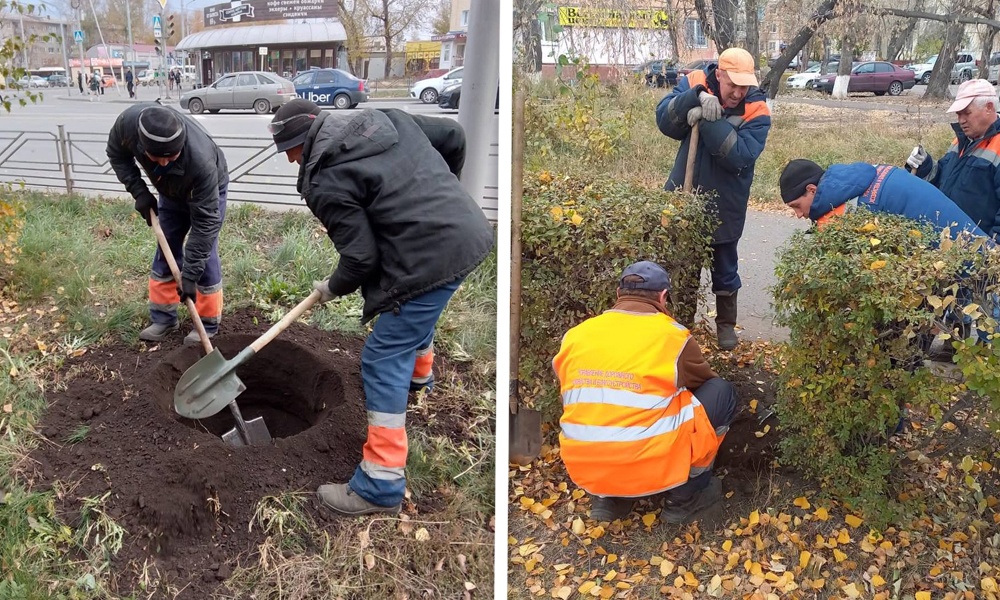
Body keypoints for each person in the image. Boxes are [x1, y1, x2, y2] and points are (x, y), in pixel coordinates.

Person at [267, 98, 493, 516]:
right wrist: (447, 199)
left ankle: (380, 483)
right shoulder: (385, 119)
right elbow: (453, 136)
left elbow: (361, 260)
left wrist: (332, 287)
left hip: (427, 258)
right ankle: (420, 379)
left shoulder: (324, 180)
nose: (290, 161)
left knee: (383, 355)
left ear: (304, 140)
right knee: (416, 313)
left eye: (290, 151)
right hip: (468, 235)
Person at [553, 261, 736, 522]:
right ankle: (684, 497)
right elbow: (703, 383)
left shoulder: (575, 336)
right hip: (649, 464)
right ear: (663, 297)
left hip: (585, 469)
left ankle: (608, 499)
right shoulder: (672, 336)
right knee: (721, 392)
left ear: (619, 293)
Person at [655, 47, 772, 351]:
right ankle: (682, 323)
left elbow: (739, 156)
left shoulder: (757, 109)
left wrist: (708, 121)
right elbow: (665, 121)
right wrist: (695, 97)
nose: (738, 93)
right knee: (684, 265)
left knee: (725, 267)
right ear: (719, 74)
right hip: (684, 194)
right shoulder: (695, 80)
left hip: (726, 201)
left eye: (744, 86)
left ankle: (725, 325)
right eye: (732, 84)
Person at [106, 103, 230, 345]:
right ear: (143, 145)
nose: (163, 164)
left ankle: (206, 324)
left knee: (205, 255)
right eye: (156, 158)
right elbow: (116, 154)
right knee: (166, 248)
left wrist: (190, 275)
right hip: (170, 191)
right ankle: (163, 318)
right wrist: (140, 192)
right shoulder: (127, 126)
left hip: (206, 190)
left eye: (171, 157)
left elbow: (205, 224)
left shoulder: (201, 161)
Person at [779, 159, 988, 238]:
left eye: (796, 206)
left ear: (812, 189)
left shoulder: (841, 213)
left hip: (963, 260)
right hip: (975, 242)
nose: (798, 215)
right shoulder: (855, 179)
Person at [906, 79, 1000, 240]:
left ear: (989, 108)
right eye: (958, 114)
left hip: (978, 246)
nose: (961, 120)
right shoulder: (962, 140)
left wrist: (993, 248)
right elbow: (944, 178)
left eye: (967, 113)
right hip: (948, 240)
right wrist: (924, 165)